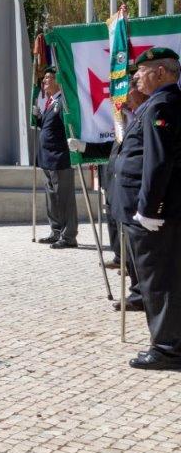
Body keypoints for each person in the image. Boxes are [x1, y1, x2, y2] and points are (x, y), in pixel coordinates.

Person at [111, 48, 181, 370]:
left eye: (143, 70)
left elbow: (159, 162)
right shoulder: (156, 103)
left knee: (159, 279)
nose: (136, 76)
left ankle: (167, 348)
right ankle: (169, 341)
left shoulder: (163, 105)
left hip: (156, 215)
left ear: (163, 73)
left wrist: (152, 210)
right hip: (152, 211)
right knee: (159, 277)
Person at [69, 85, 149, 312]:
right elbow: (114, 150)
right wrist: (85, 147)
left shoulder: (146, 115)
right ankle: (138, 291)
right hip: (120, 191)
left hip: (137, 191)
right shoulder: (126, 119)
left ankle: (143, 293)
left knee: (139, 249)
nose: (121, 97)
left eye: (128, 90)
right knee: (130, 249)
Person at [34, 68, 78, 249]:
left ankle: (69, 236)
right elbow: (48, 127)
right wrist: (38, 117)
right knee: (52, 198)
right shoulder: (50, 102)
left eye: (48, 78)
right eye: (43, 78)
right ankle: (56, 231)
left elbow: (67, 128)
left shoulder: (62, 102)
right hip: (47, 159)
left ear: (58, 80)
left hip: (60, 158)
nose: (44, 81)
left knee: (64, 198)